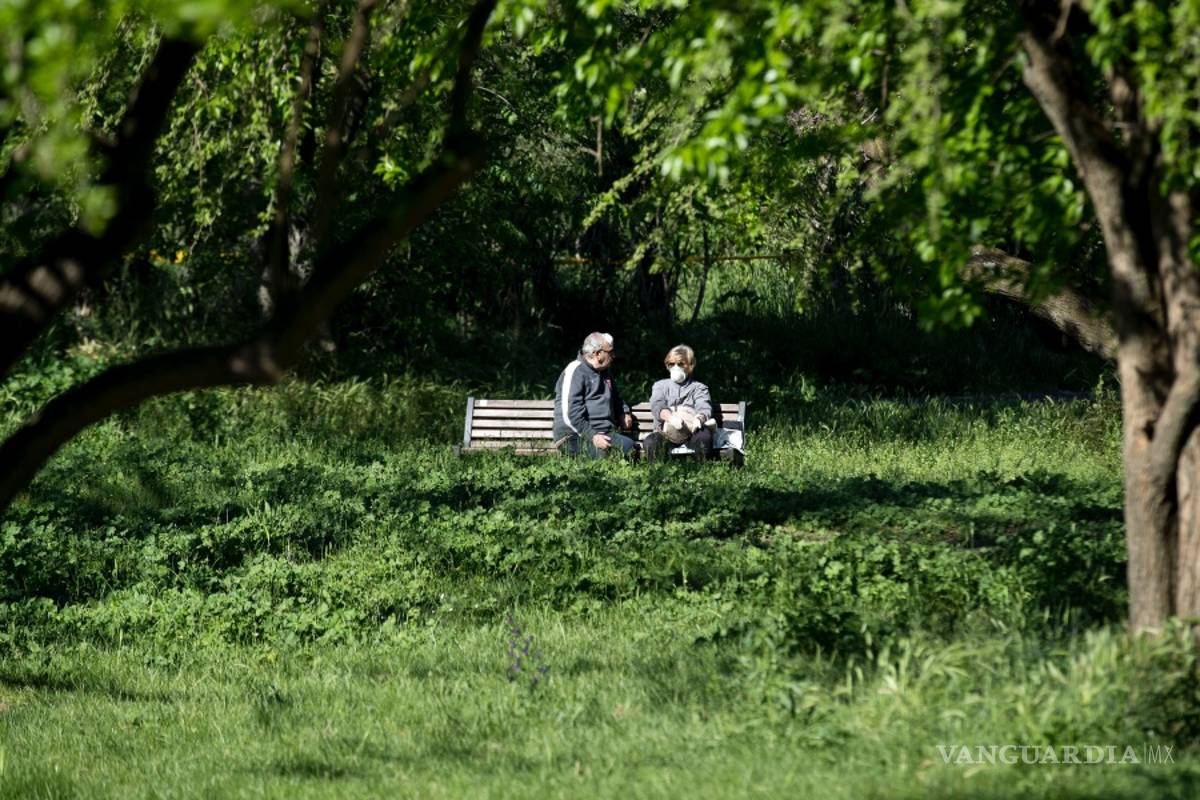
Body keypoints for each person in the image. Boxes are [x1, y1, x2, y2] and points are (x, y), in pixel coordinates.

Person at [553, 332, 637, 459]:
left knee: (630, 448)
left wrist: (623, 412)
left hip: (604, 433)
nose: (613, 356)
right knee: (604, 456)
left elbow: (616, 398)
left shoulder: (605, 372)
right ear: (598, 354)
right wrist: (593, 436)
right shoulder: (575, 371)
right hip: (573, 435)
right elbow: (571, 414)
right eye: (610, 352)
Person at [643, 344, 715, 463]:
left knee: (704, 437)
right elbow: (657, 405)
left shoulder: (699, 388)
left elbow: (704, 406)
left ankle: (701, 473)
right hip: (665, 431)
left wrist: (700, 418)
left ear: (690, 365)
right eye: (671, 364)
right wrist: (670, 418)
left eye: (680, 364)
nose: (675, 367)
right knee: (651, 441)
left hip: (692, 430)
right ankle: (658, 475)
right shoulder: (660, 386)